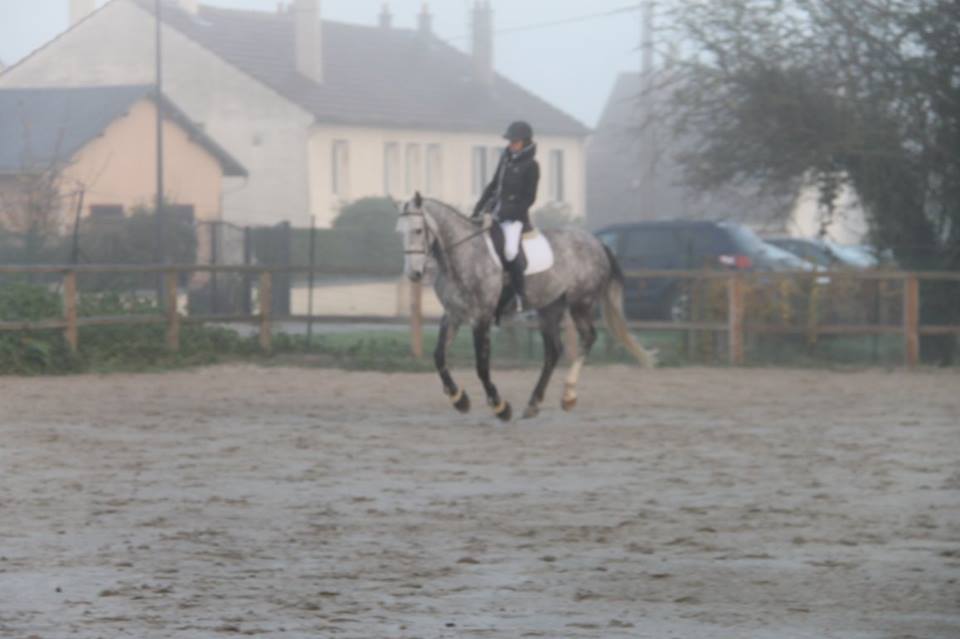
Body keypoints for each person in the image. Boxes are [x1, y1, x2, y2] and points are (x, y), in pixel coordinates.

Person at [472, 120, 540, 313]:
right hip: (493, 213)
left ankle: (520, 296)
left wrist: (509, 214)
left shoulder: (532, 166)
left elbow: (529, 198)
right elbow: (493, 185)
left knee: (510, 251)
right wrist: (478, 209)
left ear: (525, 142)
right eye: (510, 141)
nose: (511, 144)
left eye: (515, 141)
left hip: (514, 219)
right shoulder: (505, 159)